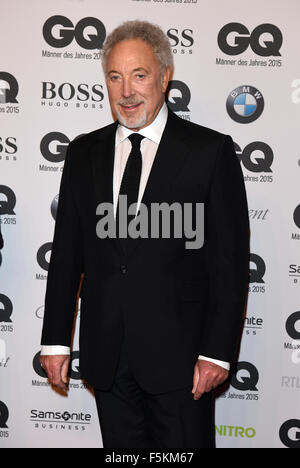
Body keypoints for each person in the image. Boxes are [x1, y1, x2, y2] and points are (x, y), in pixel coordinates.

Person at [40, 20, 249, 448]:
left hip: (183, 362)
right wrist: (57, 340)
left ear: (165, 76)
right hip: (107, 358)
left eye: (139, 75)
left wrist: (216, 351)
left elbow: (228, 265)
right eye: (114, 77)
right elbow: (66, 256)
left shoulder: (209, 151)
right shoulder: (83, 152)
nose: (126, 91)